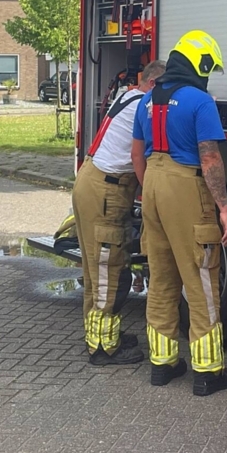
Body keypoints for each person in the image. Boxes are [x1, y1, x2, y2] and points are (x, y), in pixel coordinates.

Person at [131, 30, 227, 396]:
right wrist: (224, 208)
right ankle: (208, 371)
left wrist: (148, 191)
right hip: (185, 186)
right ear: (200, 64)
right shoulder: (200, 101)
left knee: (161, 278)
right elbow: (209, 157)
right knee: (201, 279)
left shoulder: (147, 100)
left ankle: (162, 364)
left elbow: (137, 151)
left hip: (154, 185)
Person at [72, 60, 167, 366]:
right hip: (107, 192)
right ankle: (104, 348)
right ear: (152, 85)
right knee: (110, 272)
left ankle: (98, 335)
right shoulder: (145, 105)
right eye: (164, 90)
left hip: (91, 182)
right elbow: (140, 155)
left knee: (95, 271)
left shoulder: (127, 95)